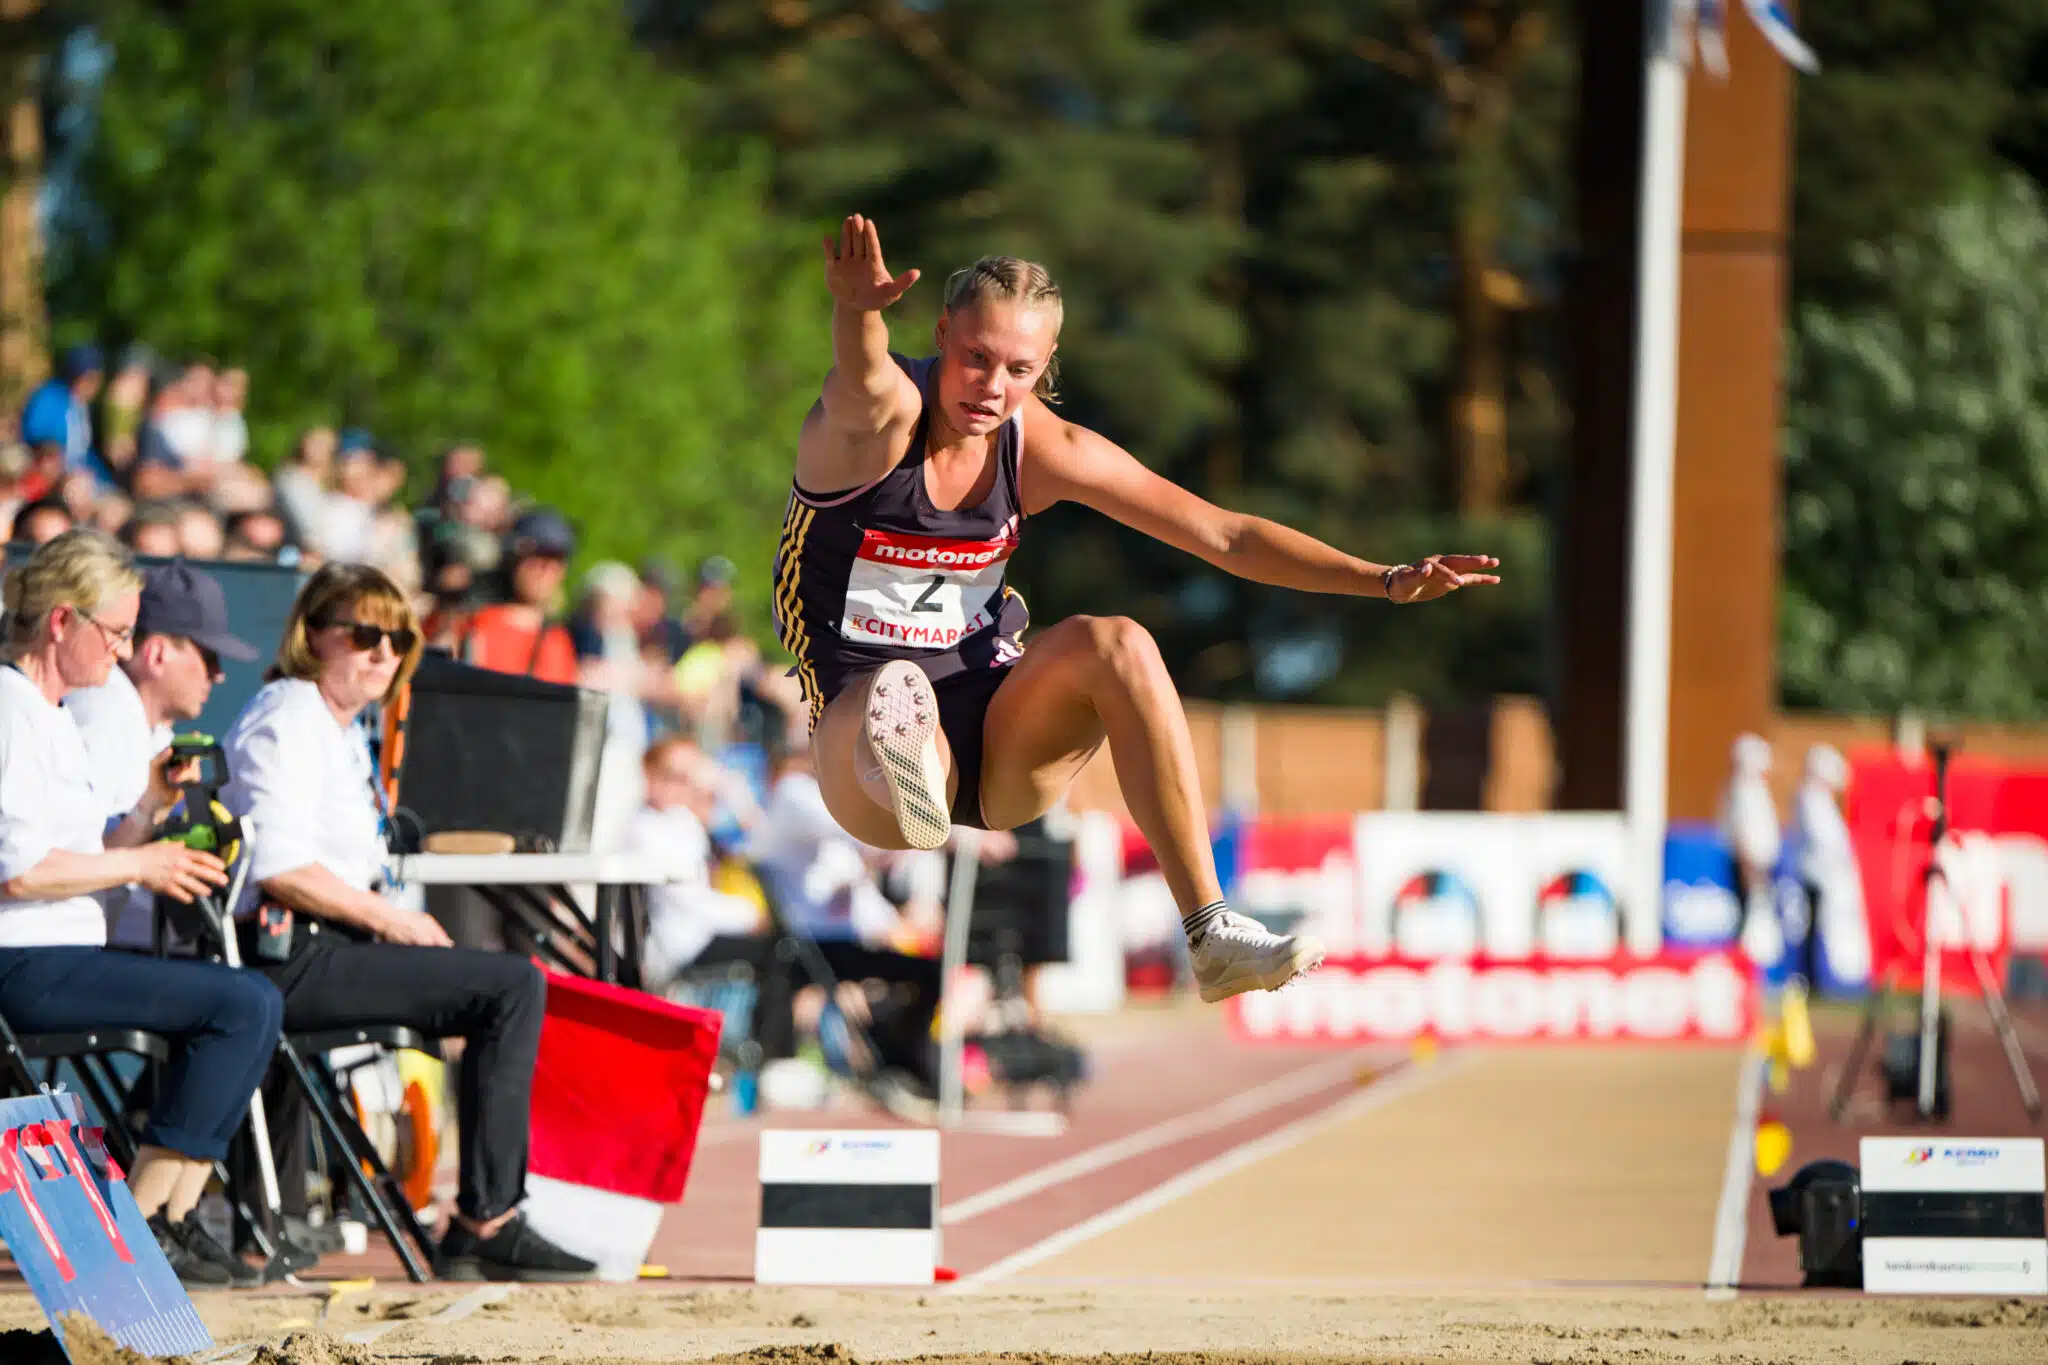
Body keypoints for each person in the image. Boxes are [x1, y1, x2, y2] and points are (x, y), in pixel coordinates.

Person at [777, 216, 1502, 1002]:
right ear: (942, 333)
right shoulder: (882, 424)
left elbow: (1225, 535)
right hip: (861, 737)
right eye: (974, 358)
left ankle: (1211, 929)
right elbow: (862, 379)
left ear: (1047, 365)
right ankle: (914, 762)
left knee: (1117, 641)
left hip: (998, 730)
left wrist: (1385, 578)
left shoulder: (1042, 447)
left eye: (1019, 369)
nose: (990, 387)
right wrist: (857, 311)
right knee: (894, 695)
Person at [219, 562, 596, 1282]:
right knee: (511, 985)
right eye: (366, 634)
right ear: (314, 635)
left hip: (322, 943)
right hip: (285, 953)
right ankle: (488, 1218)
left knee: (499, 980)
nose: (385, 652)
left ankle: (478, 1215)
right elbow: (278, 864)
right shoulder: (291, 713)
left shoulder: (333, 724)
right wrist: (390, 920)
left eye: (399, 639)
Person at [0, 529, 283, 1288]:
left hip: (58, 948)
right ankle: (143, 1228)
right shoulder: (10, 709)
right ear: (62, 621)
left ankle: (164, 1217)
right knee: (241, 1004)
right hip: (21, 958)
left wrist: (149, 810)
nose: (124, 652)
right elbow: (21, 873)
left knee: (252, 998)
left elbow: (82, 852)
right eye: (117, 632)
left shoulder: (51, 712)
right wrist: (142, 860)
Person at [67, 560, 259, 949]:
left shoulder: (146, 727)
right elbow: (77, 867)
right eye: (210, 658)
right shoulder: (105, 709)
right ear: (156, 654)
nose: (218, 675)